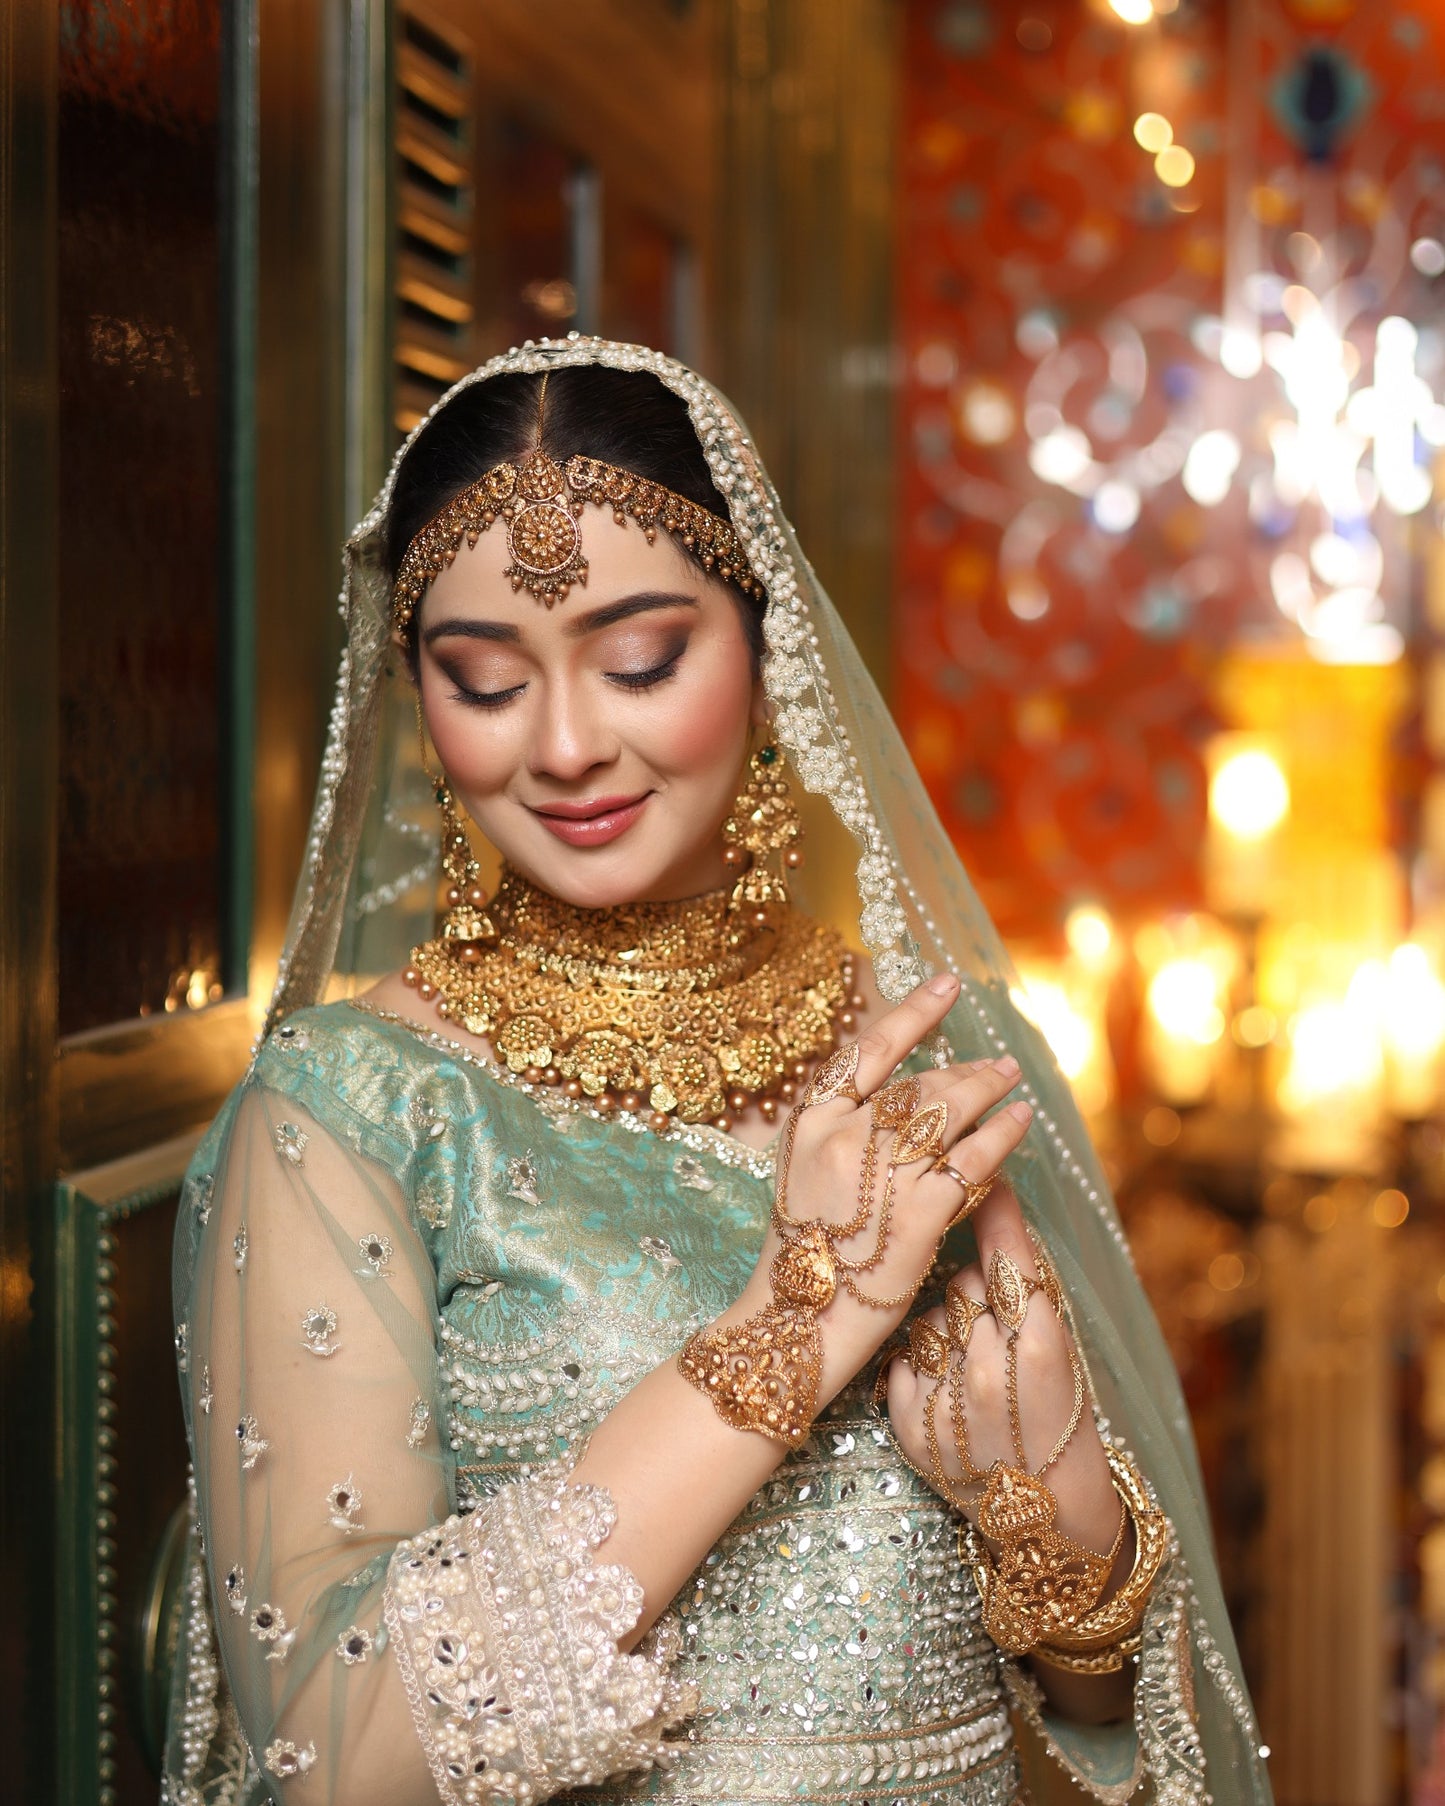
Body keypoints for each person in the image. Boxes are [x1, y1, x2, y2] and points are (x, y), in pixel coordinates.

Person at [165, 339, 1270, 1806]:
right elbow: (330, 1754)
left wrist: (1038, 1490)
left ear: (763, 649)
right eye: (484, 681)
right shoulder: (350, 1112)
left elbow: (1110, 1700)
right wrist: (799, 1317)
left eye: (639, 661)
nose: (566, 744)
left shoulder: (929, 1054)